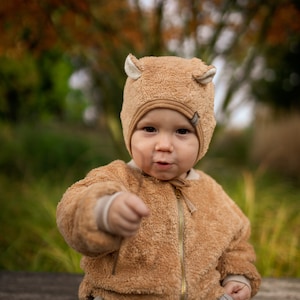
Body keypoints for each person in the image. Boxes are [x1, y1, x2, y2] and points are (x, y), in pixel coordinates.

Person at [56, 54, 261, 300]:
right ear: (129, 129)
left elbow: (236, 243)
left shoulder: (210, 191)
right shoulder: (116, 178)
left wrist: (237, 277)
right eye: (150, 129)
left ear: (203, 136)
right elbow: (72, 209)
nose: (164, 145)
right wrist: (103, 211)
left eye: (182, 131)